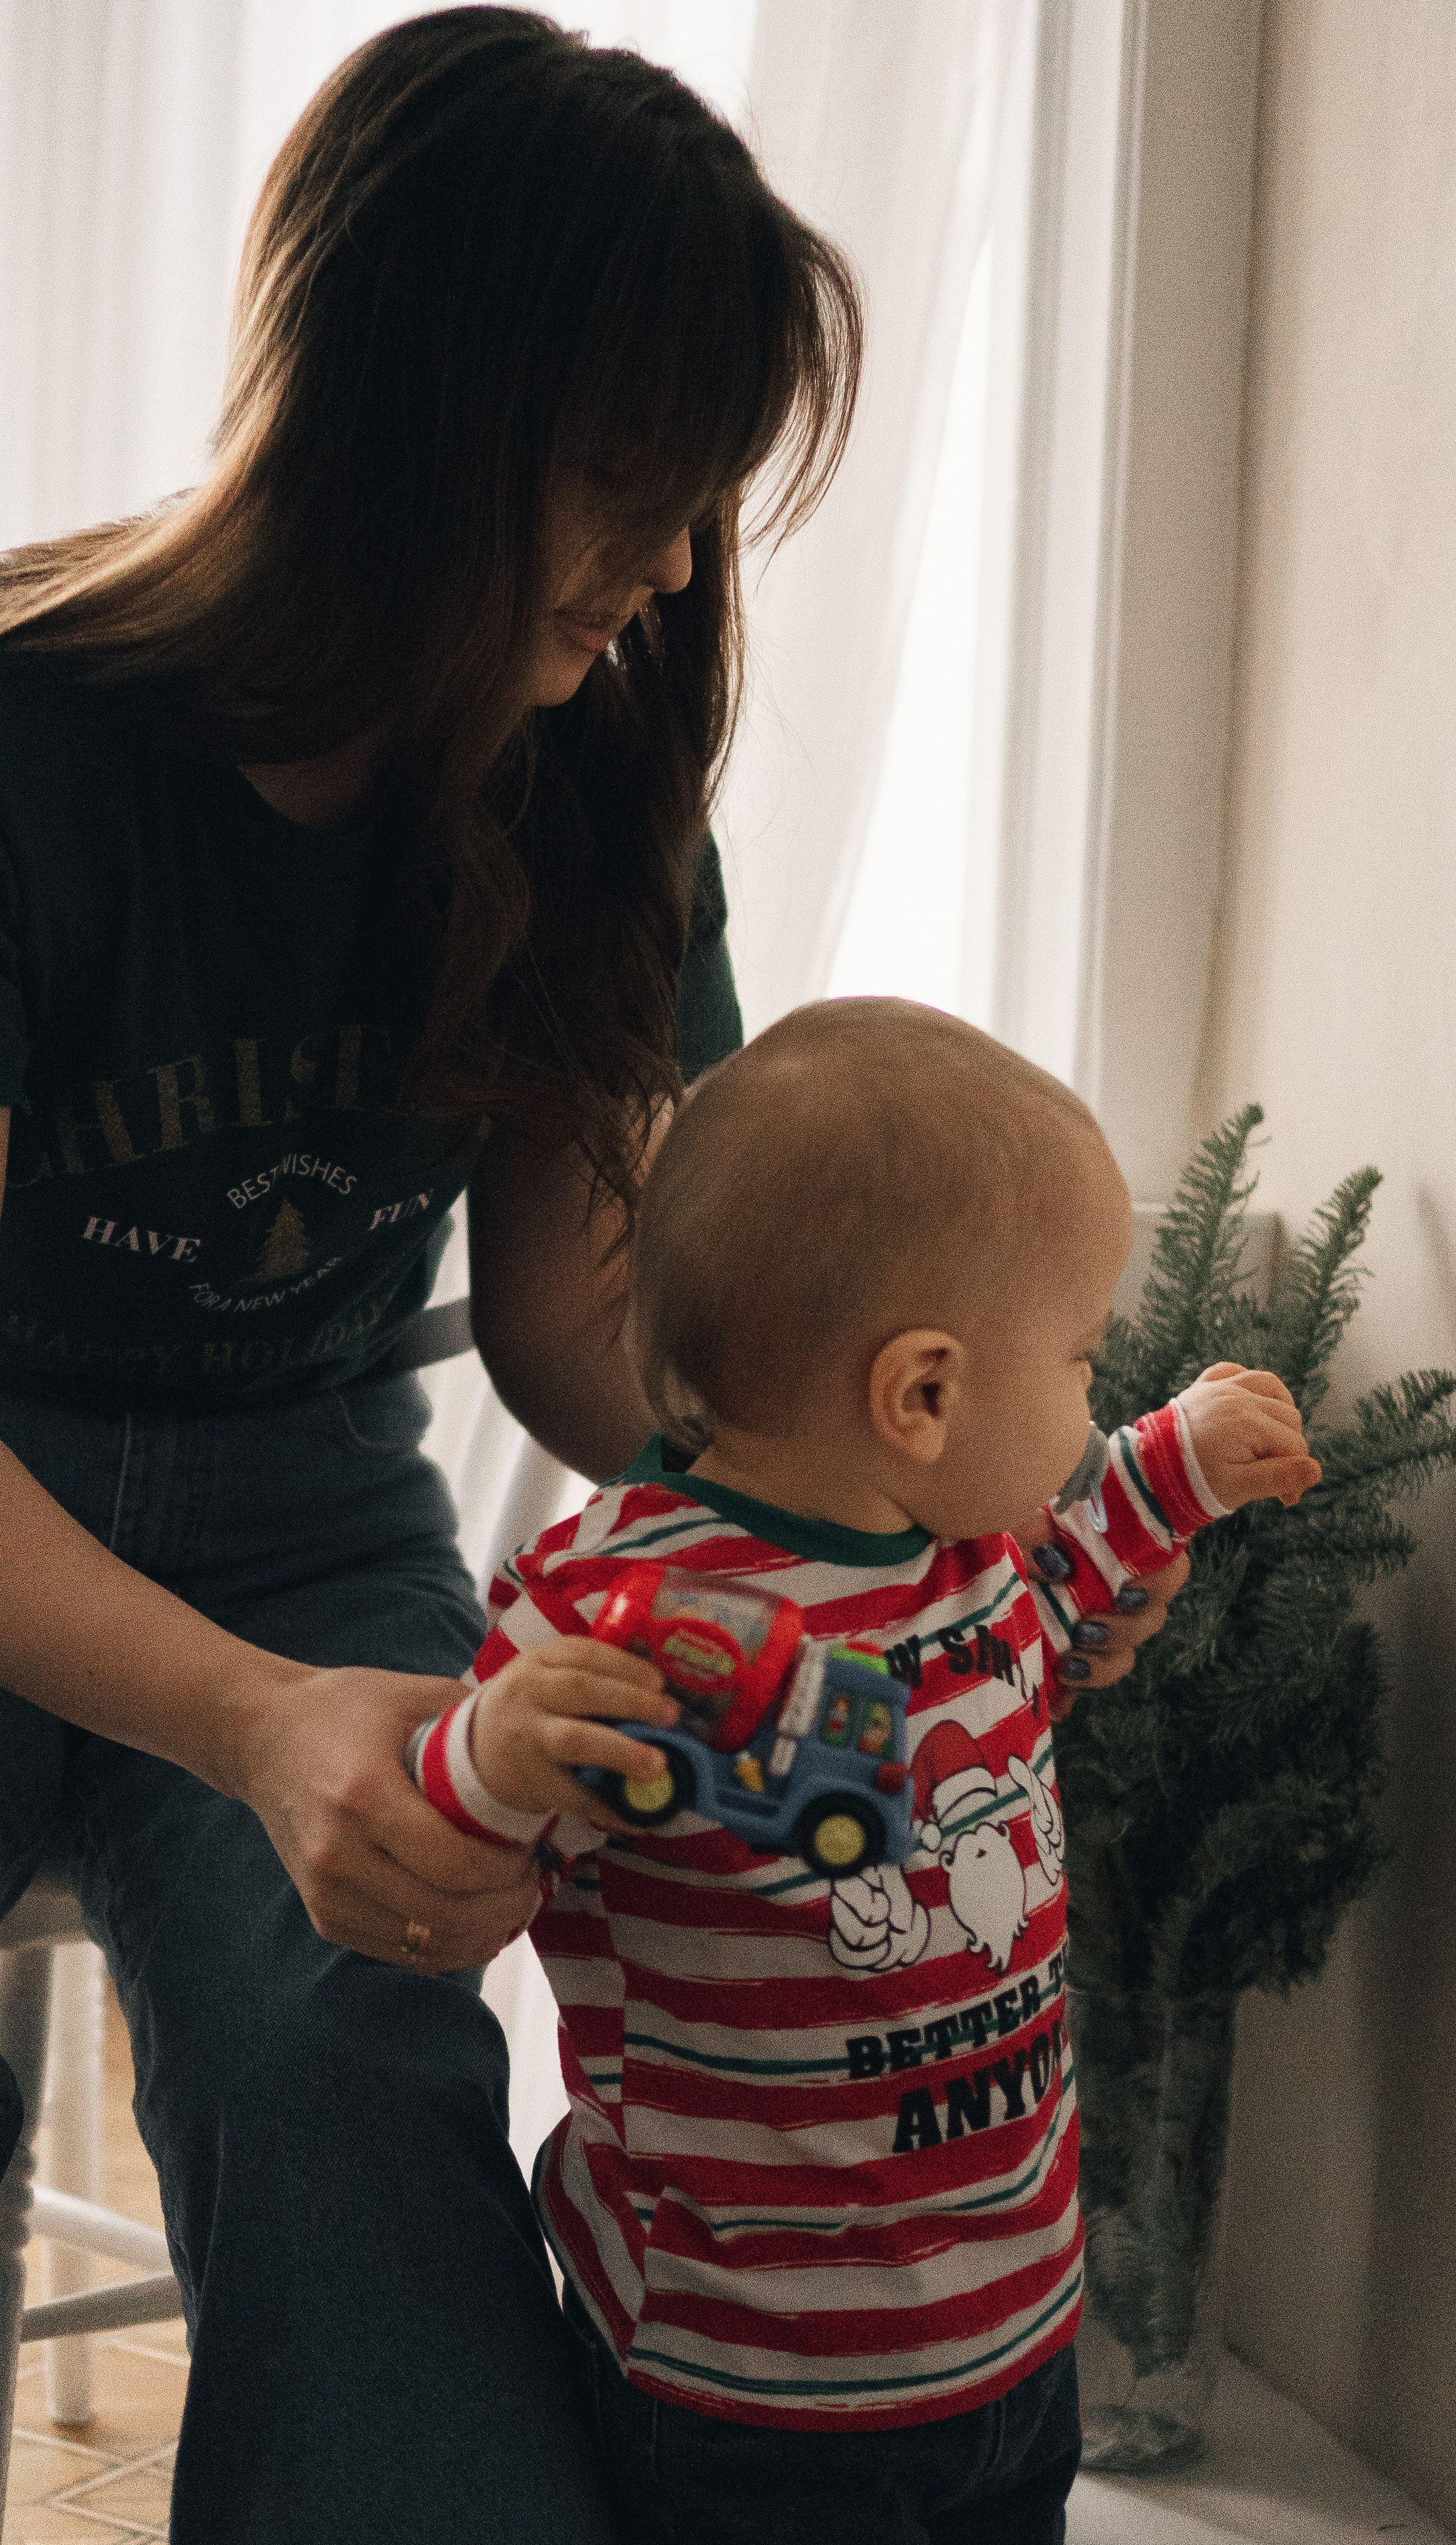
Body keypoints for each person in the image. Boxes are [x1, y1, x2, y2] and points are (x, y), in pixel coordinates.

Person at [0, 12, 876, 2536]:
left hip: (299, 1504)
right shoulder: (32, 746)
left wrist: (894, 1537)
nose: (684, 558)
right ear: (412, 421)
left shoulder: (595, 763)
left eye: (711, 491)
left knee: (372, 2125)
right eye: (635, 479)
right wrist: (259, 1727)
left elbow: (580, 1342)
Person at [407, 999, 1323, 2545]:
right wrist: (494, 1755)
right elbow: (456, 1861)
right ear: (920, 1394)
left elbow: (1059, 1578)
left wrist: (1175, 1459)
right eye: (1084, 1361)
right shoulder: (633, 1617)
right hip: (749, 2385)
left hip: (1007, 2328)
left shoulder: (952, 1557)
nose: (1088, 1404)